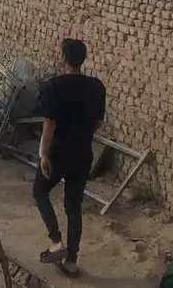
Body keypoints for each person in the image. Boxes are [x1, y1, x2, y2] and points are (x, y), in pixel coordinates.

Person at [33, 38, 105, 278]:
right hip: (82, 152)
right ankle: (72, 258)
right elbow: (98, 121)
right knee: (73, 205)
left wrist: (44, 154)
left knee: (40, 191)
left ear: (64, 57)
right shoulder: (96, 87)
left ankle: (56, 241)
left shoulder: (53, 86)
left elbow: (49, 125)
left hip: (58, 152)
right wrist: (81, 134)